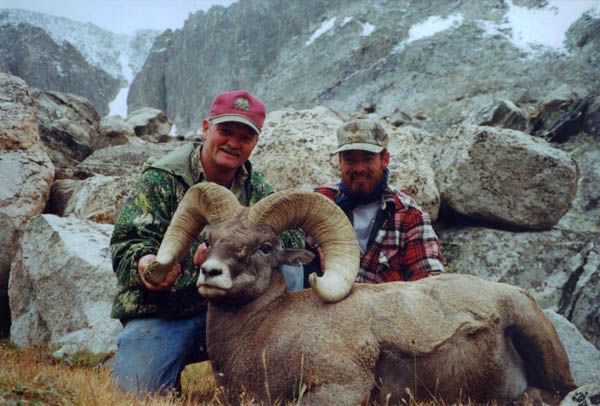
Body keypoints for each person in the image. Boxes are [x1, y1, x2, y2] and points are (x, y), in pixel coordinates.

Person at [110, 90, 304, 397]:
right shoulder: (162, 178)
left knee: (290, 272)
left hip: (236, 312)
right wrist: (151, 264)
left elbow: (292, 243)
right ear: (205, 128)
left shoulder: (260, 192)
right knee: (132, 393)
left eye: (245, 137)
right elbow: (127, 244)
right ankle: (159, 365)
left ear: (255, 142)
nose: (233, 143)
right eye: (225, 131)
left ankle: (266, 374)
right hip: (168, 312)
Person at [304, 118, 444, 285]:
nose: (359, 168)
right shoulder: (319, 203)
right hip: (324, 306)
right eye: (350, 160)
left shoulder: (411, 217)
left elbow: (431, 284)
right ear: (340, 161)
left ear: (384, 159)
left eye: (368, 158)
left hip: (385, 308)